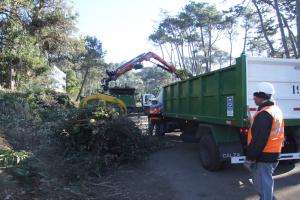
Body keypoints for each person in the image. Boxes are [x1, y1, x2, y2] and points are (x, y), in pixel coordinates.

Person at [245, 82, 284, 200]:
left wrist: (250, 158)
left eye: (255, 95)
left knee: (263, 185)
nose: (253, 98)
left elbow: (259, 140)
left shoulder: (265, 114)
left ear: (261, 96)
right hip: (274, 152)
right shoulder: (275, 110)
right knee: (265, 183)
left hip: (265, 154)